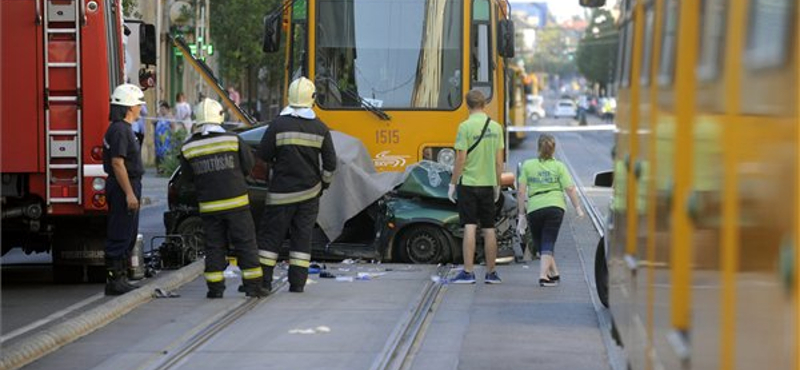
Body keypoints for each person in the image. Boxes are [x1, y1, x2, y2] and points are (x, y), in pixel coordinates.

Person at [179, 98, 268, 299]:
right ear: (220, 117)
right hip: (237, 203)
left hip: (209, 207)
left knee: (214, 246)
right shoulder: (233, 140)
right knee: (245, 243)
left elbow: (187, 179)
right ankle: (253, 286)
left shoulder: (189, 147)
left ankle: (215, 288)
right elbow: (248, 165)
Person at [257, 77, 337, 293]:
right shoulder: (321, 128)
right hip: (309, 195)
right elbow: (331, 164)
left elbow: (263, 154)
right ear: (312, 99)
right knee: (302, 239)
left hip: (280, 195)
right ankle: (298, 284)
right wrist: (324, 184)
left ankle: (264, 282)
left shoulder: (277, 125)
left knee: (271, 238)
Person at [447, 89, 505, 284]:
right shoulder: (496, 128)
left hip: (469, 184)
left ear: (467, 105)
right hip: (488, 184)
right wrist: (497, 184)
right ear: (484, 104)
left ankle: (468, 272)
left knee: (470, 226)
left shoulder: (464, 127)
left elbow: (460, 158)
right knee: (489, 228)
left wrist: (453, 183)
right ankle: (491, 273)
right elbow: (499, 161)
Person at [516, 134, 585, 287]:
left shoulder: (528, 165)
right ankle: (545, 275)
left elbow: (521, 192)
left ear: (538, 147)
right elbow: (570, 189)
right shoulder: (559, 166)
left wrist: (521, 215)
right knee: (546, 241)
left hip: (534, 208)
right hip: (555, 207)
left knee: (541, 242)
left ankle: (550, 274)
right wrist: (578, 208)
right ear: (553, 149)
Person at [102, 84, 146, 296]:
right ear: (129, 106)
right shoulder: (120, 130)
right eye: (138, 104)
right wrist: (129, 193)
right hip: (123, 186)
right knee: (120, 232)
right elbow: (118, 163)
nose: (140, 109)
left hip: (127, 183)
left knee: (127, 232)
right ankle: (114, 280)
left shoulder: (123, 129)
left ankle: (120, 278)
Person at [153, 101, 173, 174]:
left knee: (166, 153)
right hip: (158, 139)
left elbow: (173, 126)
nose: (162, 110)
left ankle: (165, 168)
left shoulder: (170, 117)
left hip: (166, 139)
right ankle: (159, 168)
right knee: (158, 154)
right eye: (161, 109)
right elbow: (153, 122)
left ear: (167, 109)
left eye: (163, 109)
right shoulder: (159, 116)